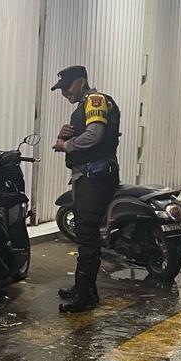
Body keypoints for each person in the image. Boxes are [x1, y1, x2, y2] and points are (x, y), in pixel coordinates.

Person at [52, 65, 121, 312]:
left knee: (88, 235)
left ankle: (86, 296)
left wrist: (66, 145)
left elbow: (95, 135)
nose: (65, 93)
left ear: (81, 81)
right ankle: (83, 287)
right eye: (62, 90)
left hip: (96, 177)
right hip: (87, 176)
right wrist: (65, 135)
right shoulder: (84, 107)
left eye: (67, 87)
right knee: (84, 234)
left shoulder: (95, 100)